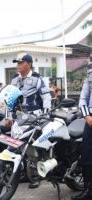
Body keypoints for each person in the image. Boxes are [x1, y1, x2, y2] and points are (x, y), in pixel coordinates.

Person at [10, 53, 51, 188]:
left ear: (29, 64)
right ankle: (22, 173)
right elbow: (8, 100)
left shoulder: (37, 79)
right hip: (18, 118)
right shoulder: (14, 81)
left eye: (21, 62)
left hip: (34, 117)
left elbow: (46, 97)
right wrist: (8, 117)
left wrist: (45, 116)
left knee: (31, 147)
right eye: (17, 63)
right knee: (16, 146)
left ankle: (34, 176)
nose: (18, 65)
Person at [72, 62, 92, 200]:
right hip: (90, 121)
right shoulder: (90, 76)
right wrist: (87, 116)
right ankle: (88, 190)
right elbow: (83, 99)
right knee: (87, 156)